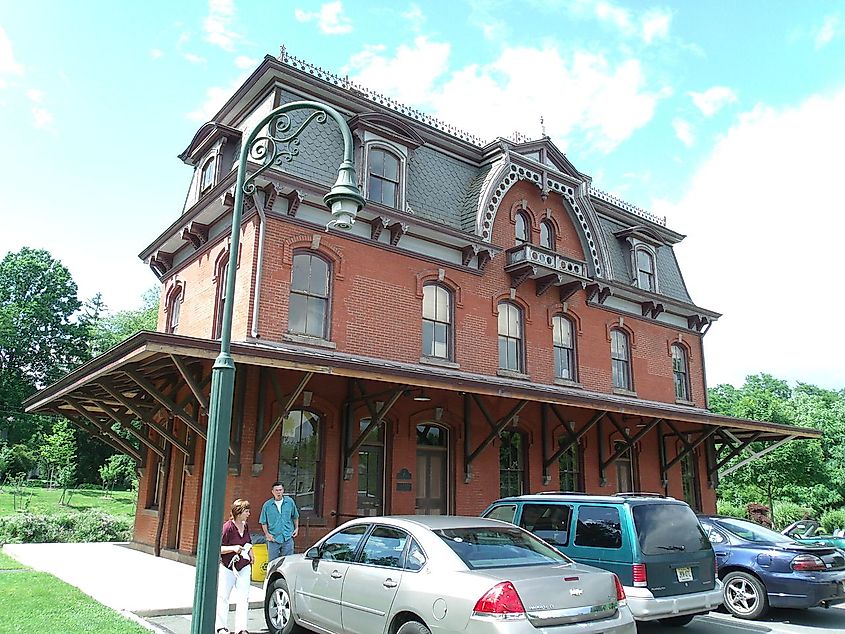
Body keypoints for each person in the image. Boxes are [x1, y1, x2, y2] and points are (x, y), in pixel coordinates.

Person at [216, 498, 253, 634]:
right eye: (246, 511)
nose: (248, 513)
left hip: (244, 565)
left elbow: (248, 541)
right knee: (223, 596)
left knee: (244, 597)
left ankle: (242, 628)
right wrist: (233, 548)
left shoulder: (246, 526)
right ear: (239, 512)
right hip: (228, 567)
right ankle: (221, 627)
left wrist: (251, 553)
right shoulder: (227, 528)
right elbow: (218, 548)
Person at [259, 481, 299, 561]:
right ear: (272, 492)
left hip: (287, 537)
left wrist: (296, 528)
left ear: (283, 491)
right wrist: (267, 534)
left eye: (280, 490)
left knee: (287, 562)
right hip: (273, 538)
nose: (278, 492)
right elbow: (263, 522)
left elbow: (295, 516)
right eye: (276, 490)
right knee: (273, 562)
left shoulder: (289, 502)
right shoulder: (267, 505)